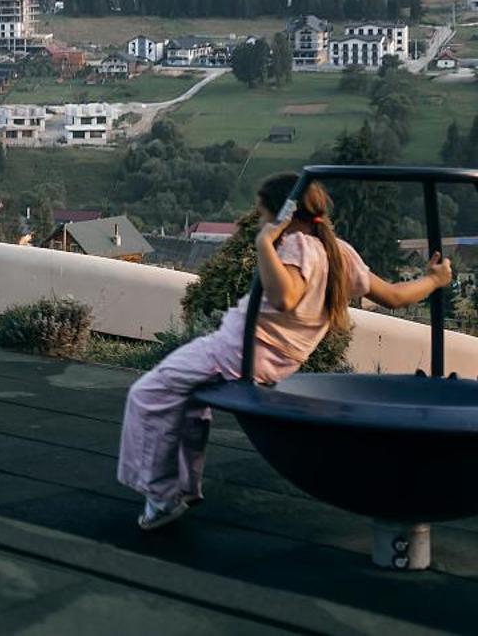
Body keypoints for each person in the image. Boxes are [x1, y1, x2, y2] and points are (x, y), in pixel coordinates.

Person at [118, 172, 454, 530]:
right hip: (273, 359)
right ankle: (182, 487)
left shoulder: (294, 245)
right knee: (187, 401)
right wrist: (434, 279)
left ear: (282, 216)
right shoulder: (340, 252)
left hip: (235, 351)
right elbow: (394, 297)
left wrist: (265, 245)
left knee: (147, 395)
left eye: (263, 215)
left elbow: (286, 297)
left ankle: (161, 498)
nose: (261, 221)